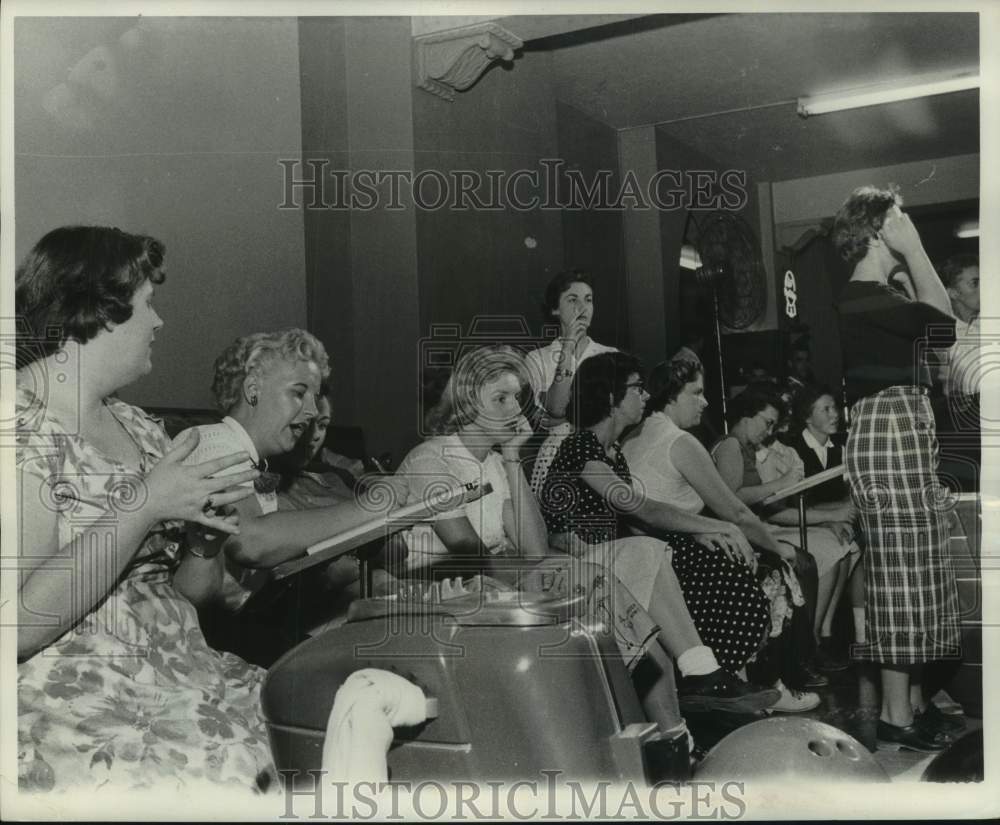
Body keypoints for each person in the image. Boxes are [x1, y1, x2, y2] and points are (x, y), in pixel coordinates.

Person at [15, 226, 273, 792]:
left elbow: (188, 595)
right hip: (76, 684)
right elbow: (17, 626)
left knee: (310, 719)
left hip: (181, 665)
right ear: (99, 310)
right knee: (235, 771)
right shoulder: (18, 424)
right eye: (147, 304)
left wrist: (205, 538)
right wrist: (146, 503)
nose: (158, 322)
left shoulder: (138, 426)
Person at [399, 346, 779, 724]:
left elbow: (532, 547)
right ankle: (670, 736)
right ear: (466, 403)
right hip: (442, 591)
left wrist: (514, 459)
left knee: (645, 552)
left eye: (517, 397)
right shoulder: (432, 460)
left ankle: (696, 678)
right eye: (501, 398)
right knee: (602, 593)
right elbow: (472, 557)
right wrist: (568, 566)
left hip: (504, 574)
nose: (516, 409)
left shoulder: (496, 462)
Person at [537, 352, 782, 713]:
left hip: (609, 561)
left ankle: (717, 680)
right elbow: (638, 507)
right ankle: (704, 677)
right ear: (611, 399)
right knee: (671, 558)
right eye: (636, 389)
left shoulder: (612, 454)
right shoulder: (580, 447)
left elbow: (637, 518)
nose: (647, 396)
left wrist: (700, 533)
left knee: (697, 563)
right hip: (577, 565)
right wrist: (715, 524)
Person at [177, 329, 403, 666]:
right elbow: (251, 541)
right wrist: (370, 507)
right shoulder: (213, 445)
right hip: (209, 639)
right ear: (253, 389)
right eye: (299, 393)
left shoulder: (249, 456)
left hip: (240, 629)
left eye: (315, 396)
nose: (311, 412)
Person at [833, 185, 961, 752]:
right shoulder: (860, 295)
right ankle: (895, 717)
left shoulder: (877, 296)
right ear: (880, 226)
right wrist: (915, 253)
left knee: (912, 575)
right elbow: (946, 330)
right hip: (888, 434)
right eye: (900, 216)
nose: (909, 224)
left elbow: (937, 339)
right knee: (899, 579)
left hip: (901, 431)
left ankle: (904, 707)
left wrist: (909, 269)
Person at [623, 360, 822, 711]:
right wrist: (779, 548)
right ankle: (771, 683)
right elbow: (736, 512)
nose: (705, 402)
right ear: (671, 396)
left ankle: (751, 682)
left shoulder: (636, 435)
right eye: (696, 393)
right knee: (779, 568)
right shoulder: (678, 441)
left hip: (655, 548)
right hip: (672, 554)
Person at [523, 269, 617, 493]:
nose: (582, 308)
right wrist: (568, 347)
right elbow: (553, 411)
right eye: (572, 299)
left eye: (588, 300)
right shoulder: (537, 358)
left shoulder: (610, 354)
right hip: (556, 456)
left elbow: (616, 415)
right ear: (555, 309)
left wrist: (565, 415)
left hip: (603, 455)